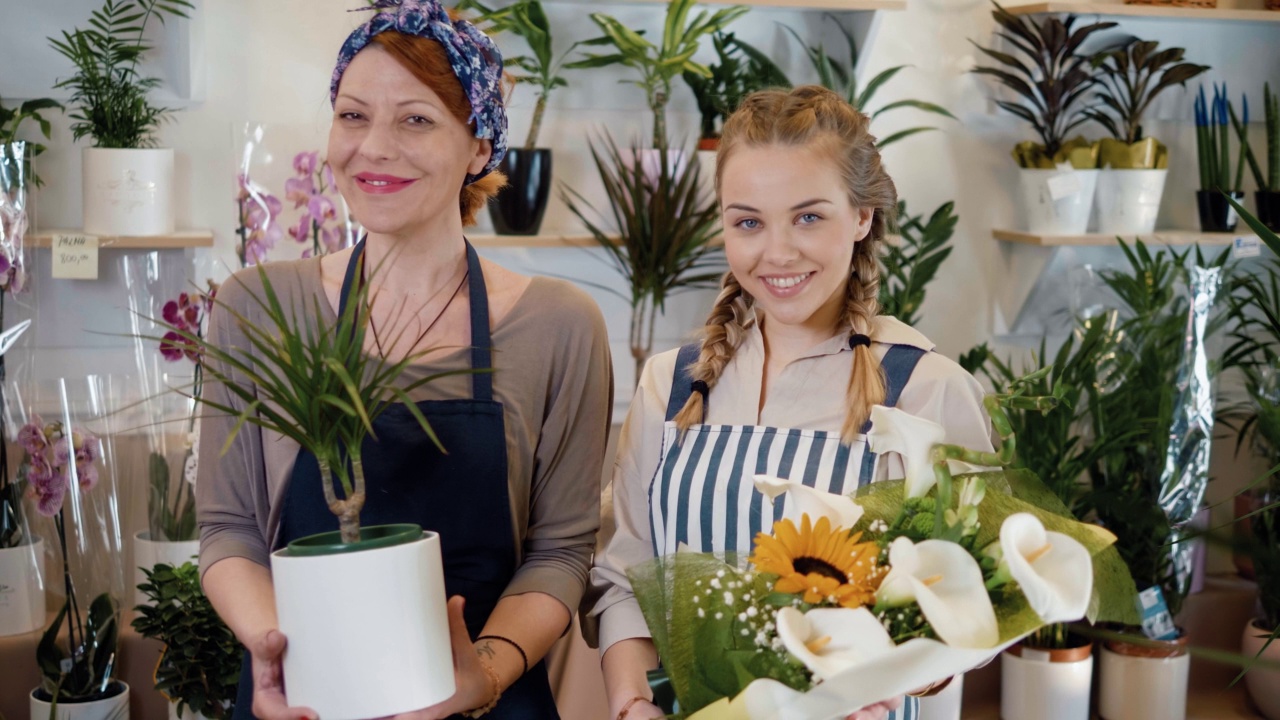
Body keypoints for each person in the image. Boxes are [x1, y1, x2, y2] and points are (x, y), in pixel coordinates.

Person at [196, 2, 613, 719]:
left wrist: (484, 673)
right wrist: (280, 654)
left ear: (480, 146)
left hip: (490, 698)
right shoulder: (259, 307)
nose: (374, 148)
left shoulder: (561, 326)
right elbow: (228, 530)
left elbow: (560, 552)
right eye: (353, 116)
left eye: (415, 120)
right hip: (303, 697)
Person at [583, 85, 996, 720]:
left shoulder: (926, 388)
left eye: (808, 216)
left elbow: (972, 606)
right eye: (748, 221)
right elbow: (624, 583)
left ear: (861, 217)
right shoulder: (671, 387)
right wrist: (632, 704)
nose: (777, 252)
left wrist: (897, 682)